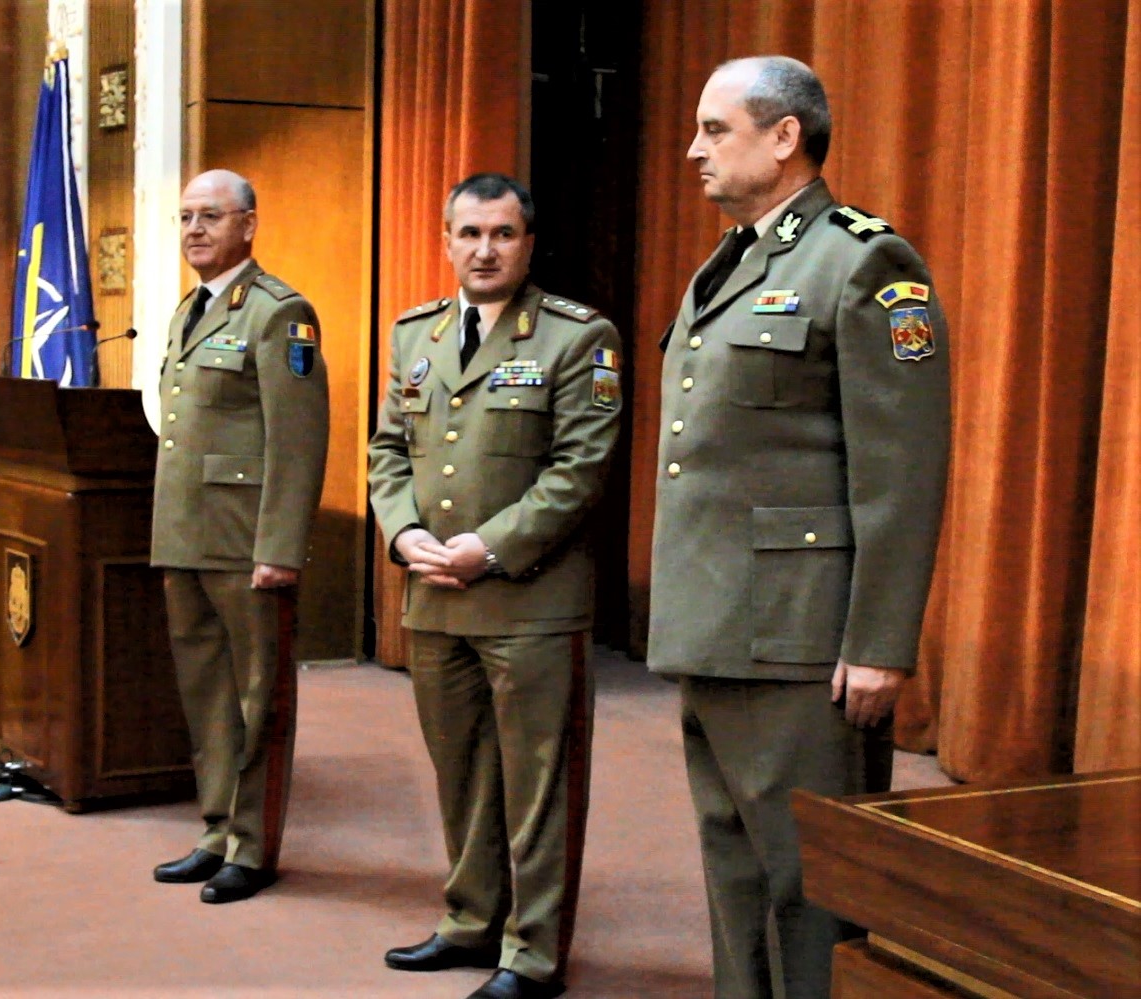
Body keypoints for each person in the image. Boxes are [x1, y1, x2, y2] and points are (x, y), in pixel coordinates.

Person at [648, 57, 951, 999]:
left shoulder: (863, 263)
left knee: (809, 886)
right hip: (715, 623)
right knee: (734, 873)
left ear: (785, 137)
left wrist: (880, 643)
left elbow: (901, 471)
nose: (693, 149)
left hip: (801, 637)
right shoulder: (733, 259)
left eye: (715, 129)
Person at [367, 173, 623, 999]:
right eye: (470, 233)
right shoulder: (416, 333)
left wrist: (492, 546)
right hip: (435, 594)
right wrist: (402, 532)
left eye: (503, 234)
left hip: (530, 599)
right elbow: (387, 450)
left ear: (529, 244)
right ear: (446, 241)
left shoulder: (579, 336)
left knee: (538, 784)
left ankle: (532, 953)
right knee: (461, 772)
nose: (485, 250)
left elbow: (580, 468)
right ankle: (472, 917)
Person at [150, 169, 329, 904]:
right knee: (207, 695)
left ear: (248, 225)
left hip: (246, 540)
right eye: (186, 217)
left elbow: (298, 440)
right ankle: (218, 829)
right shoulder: (188, 310)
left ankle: (253, 847)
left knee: (260, 700)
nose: (194, 229)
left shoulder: (279, 313)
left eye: (211, 216)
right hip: (186, 535)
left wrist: (280, 548)